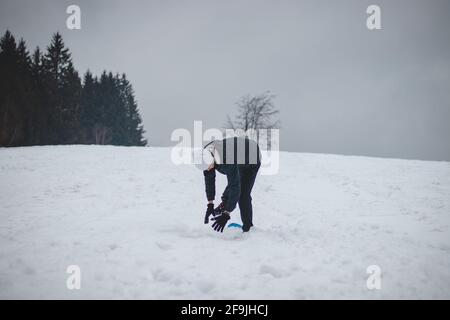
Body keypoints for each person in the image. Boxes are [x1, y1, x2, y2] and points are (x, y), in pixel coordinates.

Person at [202, 136, 261, 233]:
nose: (208, 169)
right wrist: (210, 204)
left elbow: (235, 185)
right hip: (238, 156)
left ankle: (248, 227)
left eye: (208, 166)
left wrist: (227, 213)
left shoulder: (227, 158)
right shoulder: (205, 156)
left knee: (243, 194)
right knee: (234, 185)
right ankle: (224, 204)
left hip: (252, 159)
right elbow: (209, 181)